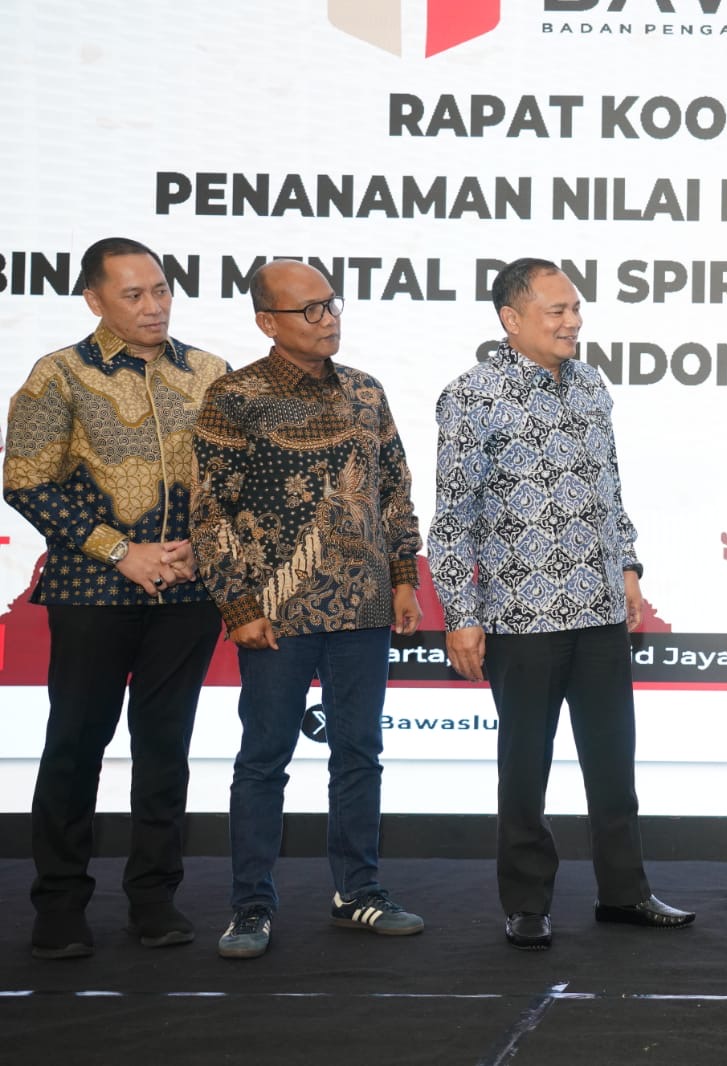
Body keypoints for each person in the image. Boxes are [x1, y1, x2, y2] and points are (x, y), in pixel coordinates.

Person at [430, 257, 694, 951]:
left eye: (575, 308)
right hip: (522, 617)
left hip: (601, 609)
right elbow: (452, 519)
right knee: (525, 770)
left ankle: (625, 893)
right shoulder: (471, 395)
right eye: (557, 310)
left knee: (614, 765)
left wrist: (628, 567)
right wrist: (461, 614)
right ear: (511, 319)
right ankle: (526, 904)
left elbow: (610, 489)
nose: (573, 320)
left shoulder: (590, 385)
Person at [190, 260, 424, 959]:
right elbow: (211, 510)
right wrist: (238, 604)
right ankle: (251, 906)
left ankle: (359, 892)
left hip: (364, 607)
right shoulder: (234, 397)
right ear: (268, 321)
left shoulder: (365, 391)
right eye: (309, 310)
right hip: (274, 614)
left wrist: (403, 578)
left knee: (359, 753)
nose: (328, 319)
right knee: (264, 758)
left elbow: (394, 488)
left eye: (331, 304)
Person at [4, 237, 227, 959]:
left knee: (165, 748)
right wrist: (120, 551)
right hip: (91, 592)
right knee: (75, 745)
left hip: (187, 593)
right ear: (94, 300)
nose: (153, 306)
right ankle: (60, 903)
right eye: (133, 295)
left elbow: (232, 480)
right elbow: (25, 480)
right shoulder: (59, 375)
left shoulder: (209, 374)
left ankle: (154, 898)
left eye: (160, 290)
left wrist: (202, 544)